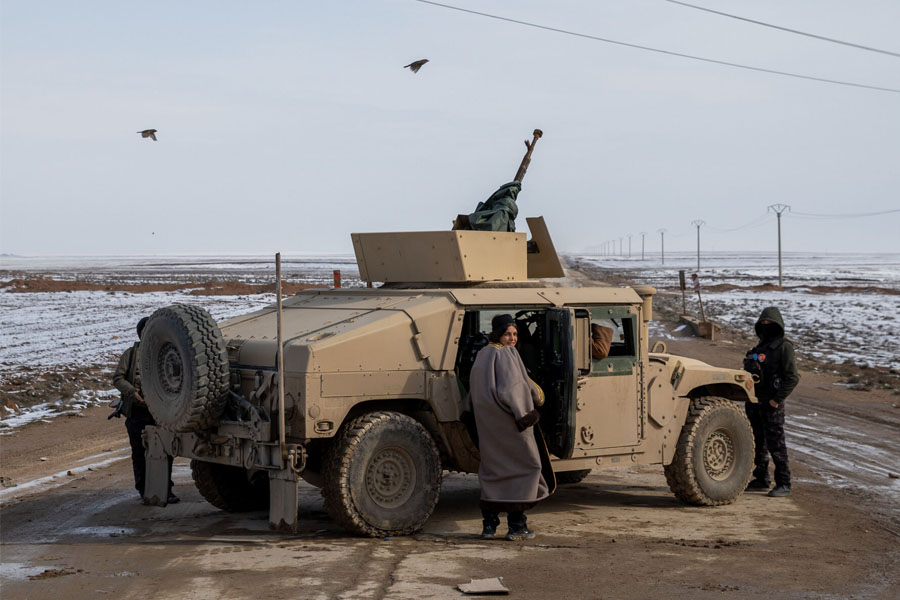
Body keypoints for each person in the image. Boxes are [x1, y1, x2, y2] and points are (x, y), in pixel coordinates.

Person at [468, 313, 552, 540]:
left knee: (493, 472)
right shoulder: (506, 354)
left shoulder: (483, 354)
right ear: (498, 334)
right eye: (508, 334)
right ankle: (517, 526)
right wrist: (526, 415)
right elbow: (514, 390)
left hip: (488, 426)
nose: (512, 338)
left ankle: (489, 526)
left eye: (515, 334)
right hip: (511, 425)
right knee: (526, 468)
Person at [112, 317, 178, 504]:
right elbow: (118, 378)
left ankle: (165, 490)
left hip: (161, 412)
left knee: (165, 452)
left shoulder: (166, 353)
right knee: (140, 453)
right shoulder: (131, 354)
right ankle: (144, 490)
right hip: (138, 412)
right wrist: (132, 391)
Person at [743, 307, 800, 498]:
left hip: (772, 403)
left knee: (776, 444)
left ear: (777, 325)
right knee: (758, 443)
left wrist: (776, 400)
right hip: (755, 401)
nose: (766, 326)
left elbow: (792, 377)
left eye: (770, 324)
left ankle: (784, 482)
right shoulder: (760, 348)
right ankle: (761, 478)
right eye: (763, 323)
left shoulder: (784, 347)